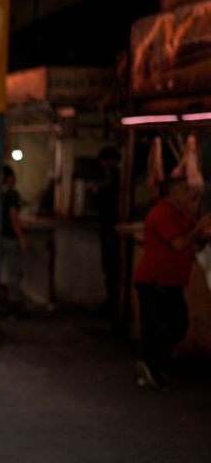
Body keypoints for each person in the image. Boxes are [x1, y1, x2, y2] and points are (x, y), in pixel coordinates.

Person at [133, 176, 211, 391]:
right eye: (186, 190)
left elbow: (198, 235)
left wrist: (203, 231)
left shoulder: (181, 214)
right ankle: (151, 368)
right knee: (158, 328)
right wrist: (201, 226)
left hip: (172, 281)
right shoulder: (160, 214)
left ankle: (150, 366)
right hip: (156, 280)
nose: (191, 194)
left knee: (177, 325)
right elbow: (178, 243)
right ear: (173, 194)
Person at [94, 146, 122, 315]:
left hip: (111, 228)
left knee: (112, 268)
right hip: (108, 227)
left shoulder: (117, 176)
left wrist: (98, 194)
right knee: (110, 268)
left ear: (111, 160)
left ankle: (113, 305)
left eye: (104, 161)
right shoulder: (113, 176)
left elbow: (108, 198)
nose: (103, 165)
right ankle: (112, 304)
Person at [0, 165, 28, 320]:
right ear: (9, 177)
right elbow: (13, 217)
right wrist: (21, 238)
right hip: (10, 238)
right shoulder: (12, 194)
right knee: (14, 273)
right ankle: (12, 307)